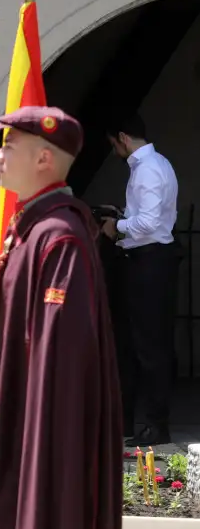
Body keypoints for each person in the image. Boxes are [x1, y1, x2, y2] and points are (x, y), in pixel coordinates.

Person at [0, 106, 122, 529]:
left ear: (44, 158)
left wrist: (38, 442)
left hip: (49, 436)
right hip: (25, 427)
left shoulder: (60, 237)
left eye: (9, 147)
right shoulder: (33, 228)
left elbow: (62, 356)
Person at [100, 113, 179, 447]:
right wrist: (122, 216)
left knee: (149, 346)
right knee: (133, 343)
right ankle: (130, 421)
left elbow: (147, 223)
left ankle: (155, 424)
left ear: (123, 137)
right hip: (144, 261)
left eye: (113, 144)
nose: (114, 150)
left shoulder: (147, 168)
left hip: (150, 262)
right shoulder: (154, 165)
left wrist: (115, 226)